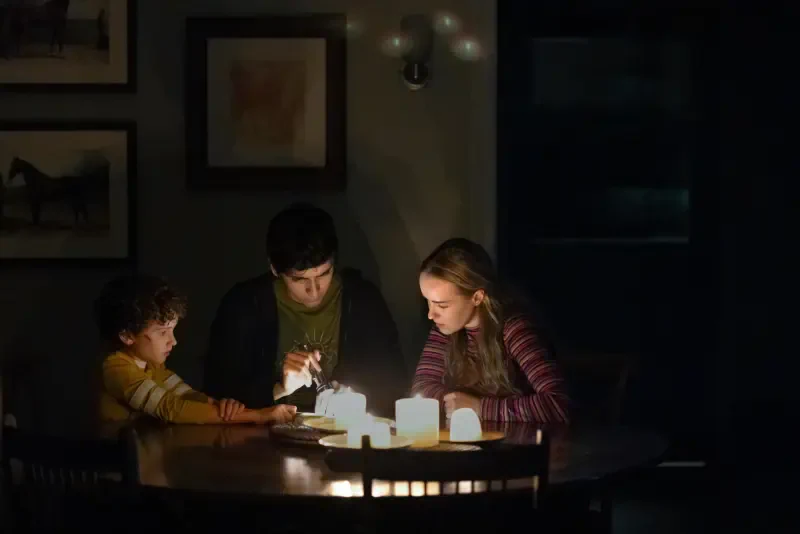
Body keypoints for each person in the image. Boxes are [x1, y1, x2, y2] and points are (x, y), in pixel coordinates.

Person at [204, 203, 406, 417]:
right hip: (263, 437)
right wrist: (280, 387)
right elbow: (219, 395)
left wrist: (353, 395)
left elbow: (394, 383)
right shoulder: (245, 305)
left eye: (323, 274)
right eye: (299, 279)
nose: (314, 291)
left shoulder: (362, 300)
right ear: (274, 268)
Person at [95, 274, 296, 425]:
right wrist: (257, 415)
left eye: (172, 331)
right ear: (127, 336)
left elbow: (187, 396)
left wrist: (222, 406)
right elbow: (172, 409)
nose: (173, 341)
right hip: (122, 473)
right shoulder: (116, 368)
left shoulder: (152, 366)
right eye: (163, 332)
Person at [411, 238, 569, 423]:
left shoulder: (514, 330)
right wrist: (457, 402)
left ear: (477, 297)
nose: (431, 314)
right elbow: (422, 388)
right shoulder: (445, 328)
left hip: (518, 447)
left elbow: (558, 404)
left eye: (442, 305)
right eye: (427, 301)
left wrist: (479, 407)